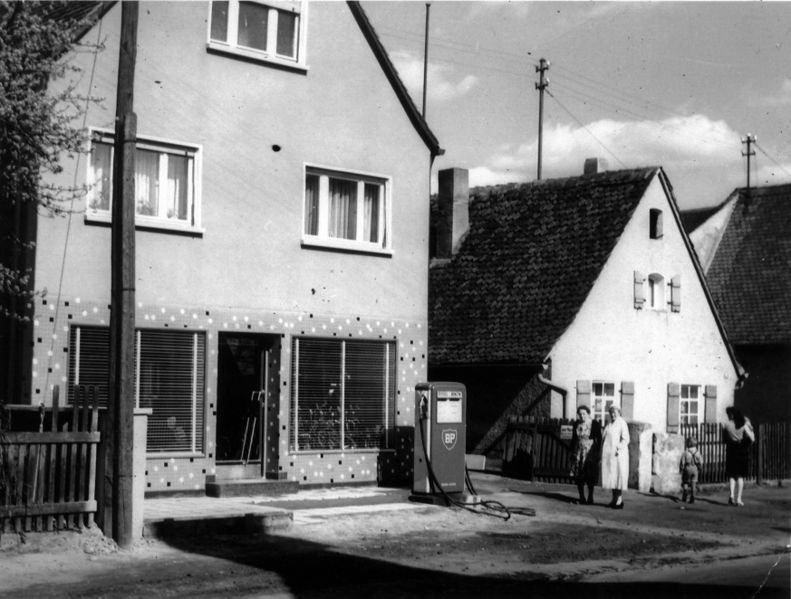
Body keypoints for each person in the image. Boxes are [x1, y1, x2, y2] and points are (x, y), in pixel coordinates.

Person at [569, 405, 602, 504]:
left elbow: (599, 439)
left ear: (588, 414)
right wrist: (571, 452)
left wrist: (597, 452)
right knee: (579, 476)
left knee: (590, 475)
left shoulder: (594, 424)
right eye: (580, 414)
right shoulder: (576, 424)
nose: (582, 416)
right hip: (578, 452)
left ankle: (590, 497)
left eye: (584, 414)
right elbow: (574, 439)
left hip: (590, 452)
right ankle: (582, 497)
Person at [723, 407, 754, 506]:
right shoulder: (743, 423)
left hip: (731, 449)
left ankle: (731, 496)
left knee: (732, 474)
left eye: (728, 414)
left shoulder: (726, 424)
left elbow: (724, 438)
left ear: (731, 415)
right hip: (741, 449)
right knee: (740, 476)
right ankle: (739, 499)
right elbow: (752, 438)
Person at [601, 405, 630, 509]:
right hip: (610, 455)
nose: (613, 414)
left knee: (618, 477)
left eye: (615, 412)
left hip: (619, 455)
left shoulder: (622, 423)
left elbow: (626, 439)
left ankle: (619, 500)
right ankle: (614, 499)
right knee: (612, 477)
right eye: (611, 412)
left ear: (619, 413)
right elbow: (604, 437)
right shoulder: (609, 424)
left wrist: (618, 447)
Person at [679, 436, 702, 503]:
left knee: (685, 481)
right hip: (695, 468)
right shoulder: (697, 452)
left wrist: (681, 468)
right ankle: (693, 496)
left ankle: (685, 491)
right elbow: (701, 461)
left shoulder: (685, 452)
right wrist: (700, 467)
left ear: (688, 443)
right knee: (693, 483)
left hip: (687, 468)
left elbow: (682, 462)